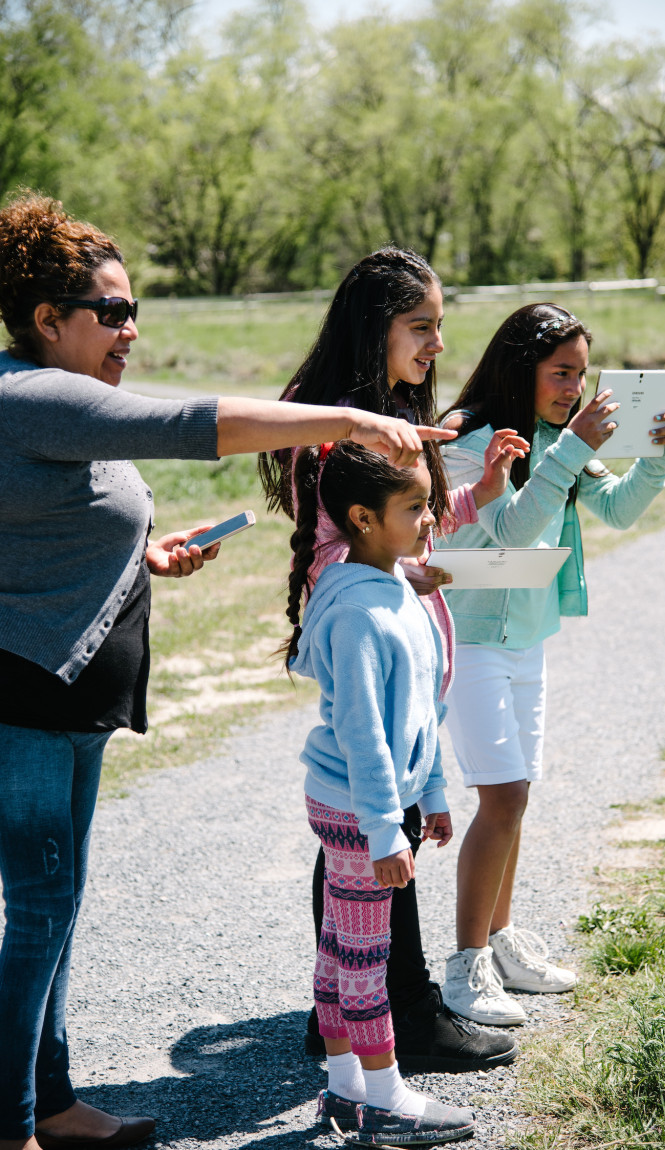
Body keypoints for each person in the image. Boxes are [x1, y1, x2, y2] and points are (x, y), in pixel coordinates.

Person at [0, 193, 452, 1150]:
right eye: (111, 312)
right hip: (28, 699)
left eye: (134, 308)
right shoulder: (32, 392)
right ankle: (11, 1124)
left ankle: (51, 1101)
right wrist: (356, 421)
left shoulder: (52, 407)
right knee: (39, 909)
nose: (132, 328)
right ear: (47, 321)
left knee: (58, 903)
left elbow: (40, 532)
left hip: (68, 698)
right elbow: (191, 424)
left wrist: (146, 558)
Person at [258, 246, 524, 1072]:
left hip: (399, 646)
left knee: (363, 832)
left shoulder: (383, 410)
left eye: (440, 327)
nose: (438, 345)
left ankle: (339, 1009)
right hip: (368, 649)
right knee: (375, 831)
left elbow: (416, 525)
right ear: (376, 328)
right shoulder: (330, 421)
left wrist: (476, 496)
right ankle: (400, 1012)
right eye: (422, 326)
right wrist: (403, 572)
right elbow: (356, 538)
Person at [436, 302, 665, 1027]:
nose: (574, 387)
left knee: (517, 797)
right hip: (472, 639)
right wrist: (570, 447)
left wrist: (658, 455)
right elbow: (510, 525)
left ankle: (502, 942)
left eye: (581, 373)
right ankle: (464, 969)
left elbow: (618, 510)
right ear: (523, 367)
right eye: (561, 372)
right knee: (503, 796)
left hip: (529, 639)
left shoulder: (557, 436)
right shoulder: (468, 438)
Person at [285, 439, 475, 1146]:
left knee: (341, 949)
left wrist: (431, 791)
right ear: (363, 517)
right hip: (361, 807)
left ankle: (343, 1089)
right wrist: (383, 828)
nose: (432, 519)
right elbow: (367, 734)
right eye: (417, 507)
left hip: (367, 802)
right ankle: (384, 1098)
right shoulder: (360, 613)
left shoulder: (392, 583)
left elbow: (419, 708)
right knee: (367, 960)